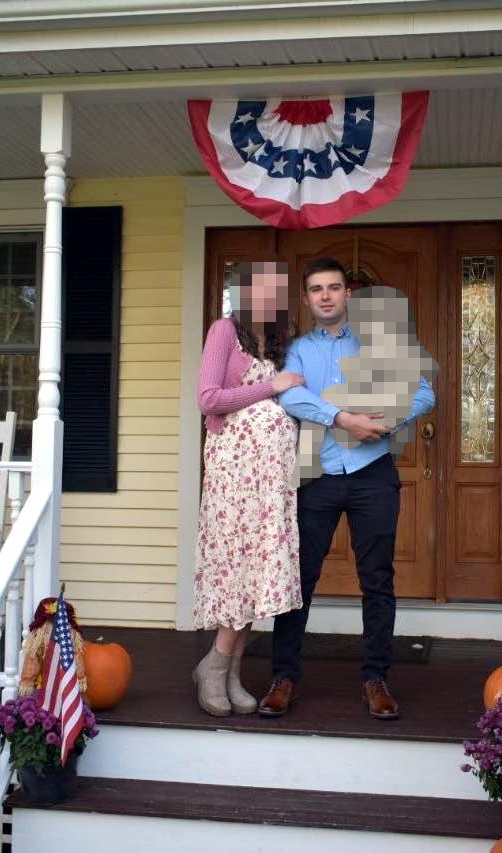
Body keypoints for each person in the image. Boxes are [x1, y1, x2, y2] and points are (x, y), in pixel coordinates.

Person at [258, 257, 436, 721]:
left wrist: (382, 421)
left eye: (333, 287)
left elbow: (424, 393)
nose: (325, 296)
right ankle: (284, 678)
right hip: (316, 475)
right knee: (299, 581)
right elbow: (289, 395)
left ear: (347, 295)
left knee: (377, 580)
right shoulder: (298, 350)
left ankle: (376, 678)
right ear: (306, 298)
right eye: (316, 289)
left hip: (372, 473)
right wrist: (342, 418)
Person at [192, 261, 304, 717]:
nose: (265, 298)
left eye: (273, 291)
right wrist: (270, 388)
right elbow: (209, 398)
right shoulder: (225, 332)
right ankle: (215, 667)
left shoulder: (278, 344)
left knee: (261, 570)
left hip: (270, 481)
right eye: (257, 289)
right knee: (235, 565)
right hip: (233, 476)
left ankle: (232, 672)